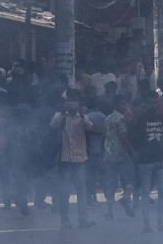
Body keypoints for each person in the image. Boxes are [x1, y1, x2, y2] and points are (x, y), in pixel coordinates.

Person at [50, 92, 96, 229]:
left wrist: (82, 115)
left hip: (80, 159)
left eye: (74, 101)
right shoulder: (59, 115)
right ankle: (65, 221)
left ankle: (83, 220)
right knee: (65, 192)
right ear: (65, 103)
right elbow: (52, 125)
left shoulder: (82, 116)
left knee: (81, 191)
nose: (72, 104)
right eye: (69, 102)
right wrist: (63, 115)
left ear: (78, 104)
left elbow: (90, 127)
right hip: (65, 160)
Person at [133, 95, 163, 233]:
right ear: (145, 104)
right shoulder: (140, 119)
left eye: (155, 102)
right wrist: (138, 153)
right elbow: (134, 138)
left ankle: (161, 223)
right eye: (150, 102)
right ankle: (146, 224)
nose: (152, 105)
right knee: (146, 192)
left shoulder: (160, 118)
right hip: (145, 162)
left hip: (159, 159)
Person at [102, 96, 137, 219]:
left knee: (111, 182)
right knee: (129, 179)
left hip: (109, 154)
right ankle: (126, 198)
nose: (124, 106)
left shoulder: (107, 118)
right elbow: (123, 135)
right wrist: (131, 149)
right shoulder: (121, 118)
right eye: (121, 104)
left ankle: (109, 211)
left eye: (124, 104)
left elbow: (105, 136)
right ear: (116, 105)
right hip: (121, 153)